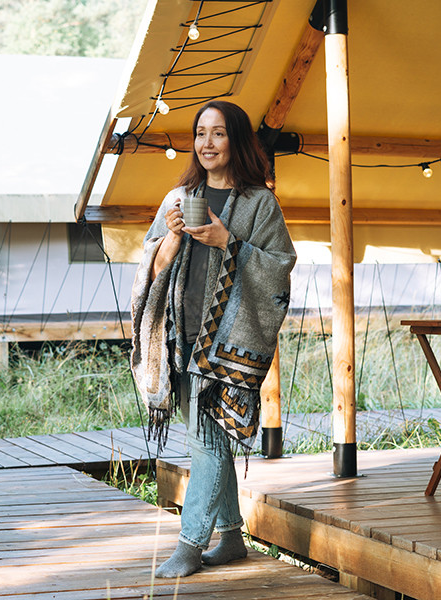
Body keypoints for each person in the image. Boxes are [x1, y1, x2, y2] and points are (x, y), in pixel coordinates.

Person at [130, 100, 296, 578]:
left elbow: (280, 269)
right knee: (207, 439)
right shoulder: (177, 198)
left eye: (218, 133)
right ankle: (231, 537)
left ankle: (189, 544)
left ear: (235, 140)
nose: (207, 143)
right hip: (178, 338)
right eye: (200, 133)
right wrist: (172, 238)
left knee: (206, 442)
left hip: (226, 346)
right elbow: (150, 269)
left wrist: (228, 242)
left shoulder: (259, 203)